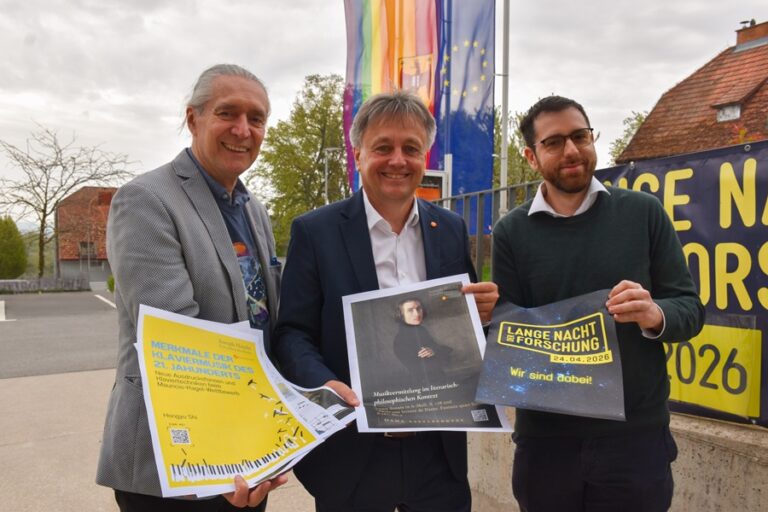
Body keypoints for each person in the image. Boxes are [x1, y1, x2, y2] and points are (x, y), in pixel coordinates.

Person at [274, 90, 499, 512]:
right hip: (353, 451)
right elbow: (293, 333)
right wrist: (324, 383)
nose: (398, 160)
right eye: (383, 147)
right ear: (357, 154)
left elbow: (464, 327)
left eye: (410, 148)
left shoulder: (448, 229)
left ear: (424, 156)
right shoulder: (315, 232)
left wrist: (482, 315)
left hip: (438, 452)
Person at [492, 95, 706, 512]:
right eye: (553, 142)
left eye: (580, 136)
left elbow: (690, 309)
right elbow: (504, 329)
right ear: (531, 157)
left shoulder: (644, 213)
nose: (571, 150)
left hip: (635, 441)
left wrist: (653, 313)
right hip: (546, 444)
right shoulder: (511, 233)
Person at [96, 64, 287, 511]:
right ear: (193, 118)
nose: (243, 130)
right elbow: (178, 339)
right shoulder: (146, 200)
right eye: (228, 113)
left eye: (256, 118)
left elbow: (262, 319)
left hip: (245, 448)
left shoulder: (252, 208)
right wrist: (220, 454)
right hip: (174, 459)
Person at [392, 298, 451, 386]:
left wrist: (433, 350)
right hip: (425, 385)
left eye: (419, 308)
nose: (417, 313)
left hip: (438, 379)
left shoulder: (421, 330)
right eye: (410, 310)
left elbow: (435, 347)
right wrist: (437, 351)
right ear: (401, 314)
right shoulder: (401, 339)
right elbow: (422, 368)